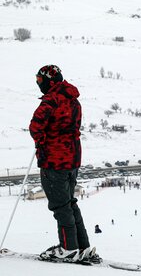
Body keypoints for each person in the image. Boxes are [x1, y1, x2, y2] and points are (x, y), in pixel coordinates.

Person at [29, 64, 100, 263]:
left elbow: (35, 127)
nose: (38, 85)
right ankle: (81, 246)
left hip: (54, 160)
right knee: (70, 203)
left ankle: (69, 248)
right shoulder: (74, 101)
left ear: (50, 81)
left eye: (40, 81)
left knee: (61, 207)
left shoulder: (51, 101)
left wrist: (42, 142)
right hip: (72, 158)